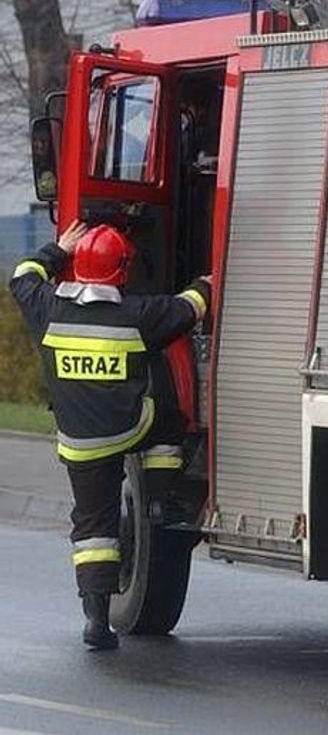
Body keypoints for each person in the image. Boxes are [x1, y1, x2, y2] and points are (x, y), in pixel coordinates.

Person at [9, 220, 211, 651]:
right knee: (169, 417)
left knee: (93, 528)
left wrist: (58, 250)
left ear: (79, 267)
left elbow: (22, 275)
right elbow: (189, 306)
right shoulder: (137, 316)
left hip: (79, 442)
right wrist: (209, 280)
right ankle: (161, 499)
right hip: (130, 429)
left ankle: (96, 621)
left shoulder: (46, 308)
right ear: (122, 270)